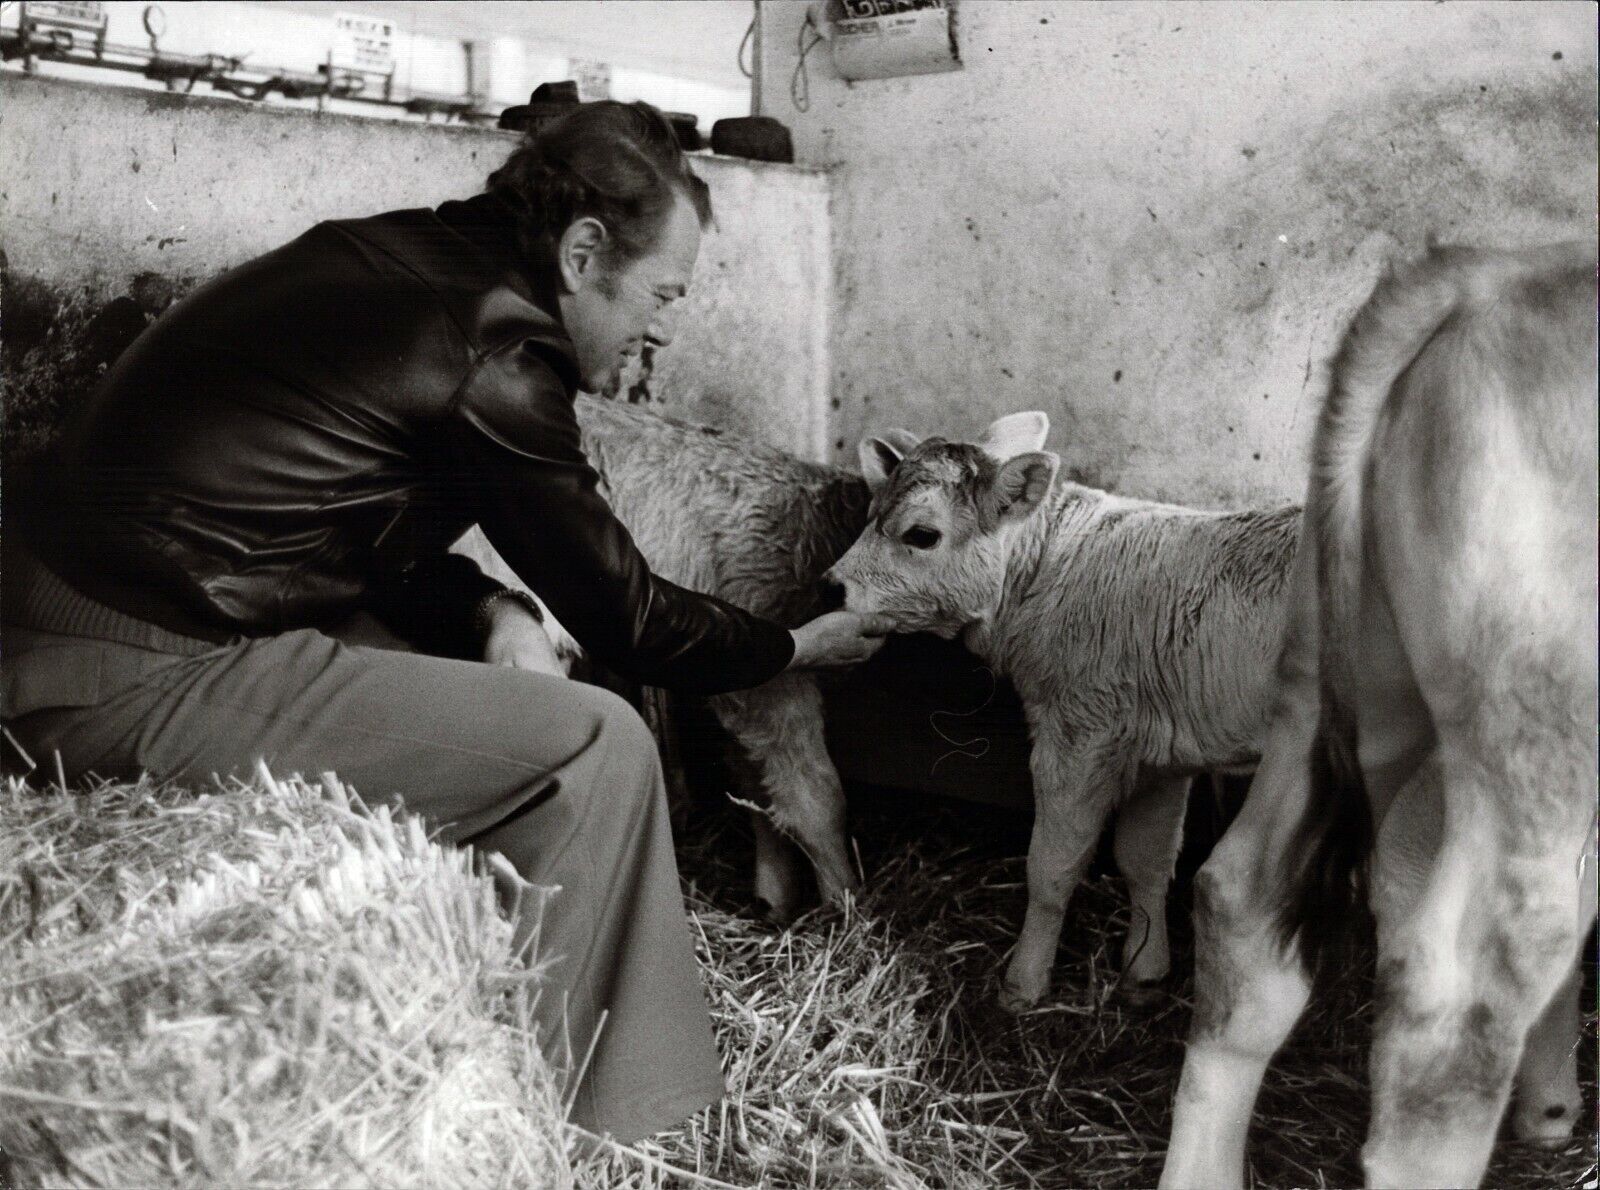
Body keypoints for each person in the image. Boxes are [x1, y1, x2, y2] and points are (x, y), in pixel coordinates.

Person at [0, 100, 891, 1143]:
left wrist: (493, 605)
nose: (663, 326)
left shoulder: (405, 256)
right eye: (661, 293)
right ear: (582, 250)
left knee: (493, 677)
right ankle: (622, 1131)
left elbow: (347, 530)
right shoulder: (503, 353)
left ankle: (482, 1020)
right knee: (599, 743)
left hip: (70, 612)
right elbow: (631, 617)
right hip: (126, 668)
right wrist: (790, 643)